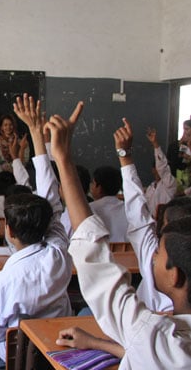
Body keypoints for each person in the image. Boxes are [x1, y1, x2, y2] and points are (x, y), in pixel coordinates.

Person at [50, 104, 191, 368]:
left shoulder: (154, 333)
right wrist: (97, 343)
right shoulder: (155, 337)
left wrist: (63, 159)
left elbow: (96, 261)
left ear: (176, 276)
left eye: (158, 253)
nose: (152, 256)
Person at [0, 94, 72, 370]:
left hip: (18, 354)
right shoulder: (60, 257)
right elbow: (52, 200)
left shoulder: (1, 283)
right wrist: (39, 136)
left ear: (9, 230)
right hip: (58, 344)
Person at [116, 119, 173, 312]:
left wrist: (126, 156)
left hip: (148, 232)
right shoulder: (150, 189)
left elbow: (138, 215)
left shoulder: (169, 185)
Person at [89, 166, 128, 242]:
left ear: (99, 188)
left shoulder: (89, 209)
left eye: (93, 183)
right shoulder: (128, 208)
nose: (91, 187)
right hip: (128, 253)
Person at [144, 127, 177, 216]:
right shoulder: (150, 188)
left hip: (164, 224)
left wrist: (155, 144)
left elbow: (162, 168)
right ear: (153, 170)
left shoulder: (169, 184)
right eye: (156, 168)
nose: (159, 169)